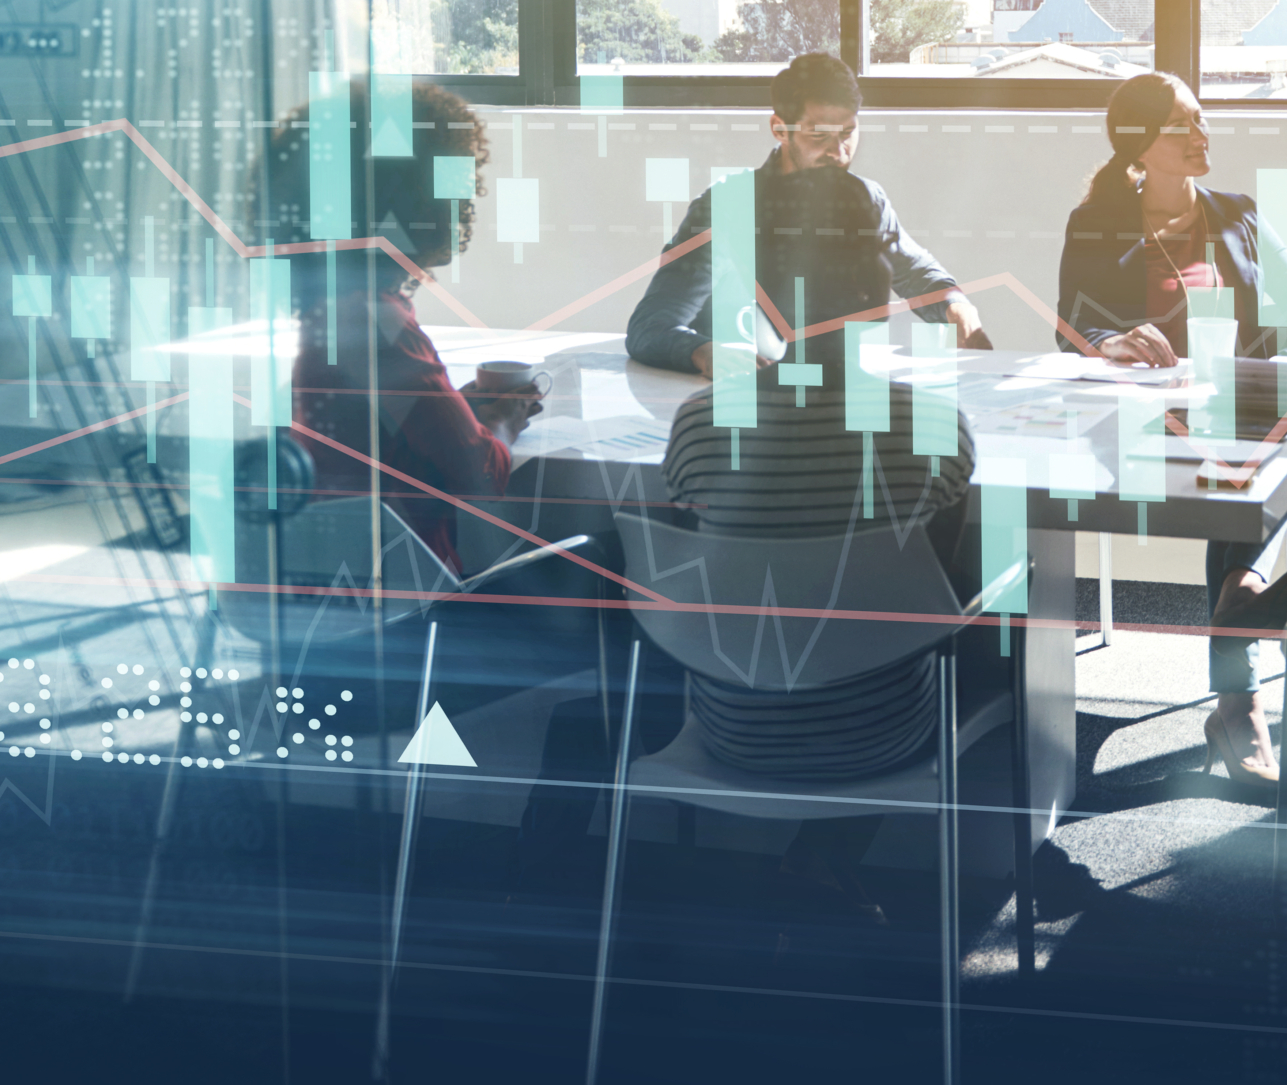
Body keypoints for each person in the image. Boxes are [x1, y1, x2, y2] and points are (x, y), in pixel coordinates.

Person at [661, 165, 978, 914]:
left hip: (729, 727)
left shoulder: (701, 424)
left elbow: (694, 558)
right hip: (882, 735)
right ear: (878, 293)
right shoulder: (928, 427)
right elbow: (944, 584)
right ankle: (840, 856)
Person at [1056, 72, 1287, 785]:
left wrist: (1284, 374)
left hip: (1232, 414)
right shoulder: (1095, 224)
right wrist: (1109, 342)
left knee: (1254, 476)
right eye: (1182, 126)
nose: (1201, 135)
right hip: (1139, 422)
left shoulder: (1236, 214)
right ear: (1139, 145)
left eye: (1202, 119)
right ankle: (1246, 617)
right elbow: (1071, 328)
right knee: (1252, 501)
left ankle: (1239, 699)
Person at [261, 77, 539, 574]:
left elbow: (384, 429)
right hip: (398, 591)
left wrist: (460, 408)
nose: (467, 205)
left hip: (323, 575)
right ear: (413, 201)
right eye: (457, 186)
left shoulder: (335, 307)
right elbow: (478, 477)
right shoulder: (380, 324)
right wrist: (506, 421)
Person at [625, 51, 990, 373]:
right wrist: (703, 352)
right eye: (819, 136)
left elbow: (919, 274)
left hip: (834, 397)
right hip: (746, 404)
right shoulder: (728, 207)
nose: (838, 152)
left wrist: (956, 308)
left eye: (847, 133)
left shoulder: (863, 200)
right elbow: (651, 326)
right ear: (779, 129)